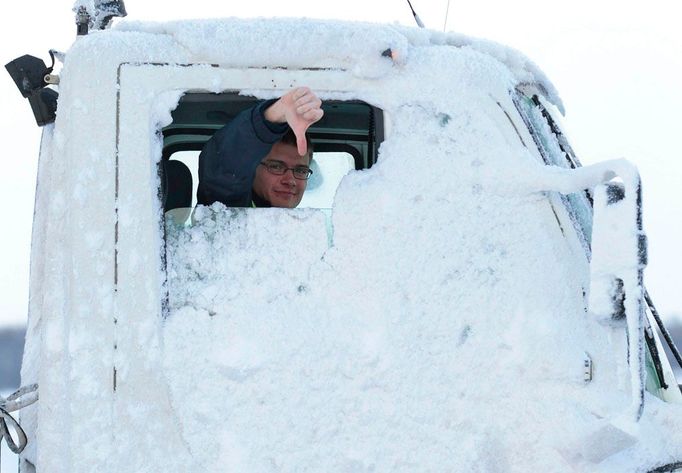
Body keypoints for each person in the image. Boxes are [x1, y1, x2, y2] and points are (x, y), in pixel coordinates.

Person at [197, 87, 323, 208]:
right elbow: (225, 173)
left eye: (301, 171)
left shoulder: (311, 226)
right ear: (251, 169)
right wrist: (275, 114)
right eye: (276, 167)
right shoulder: (231, 212)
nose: (290, 181)